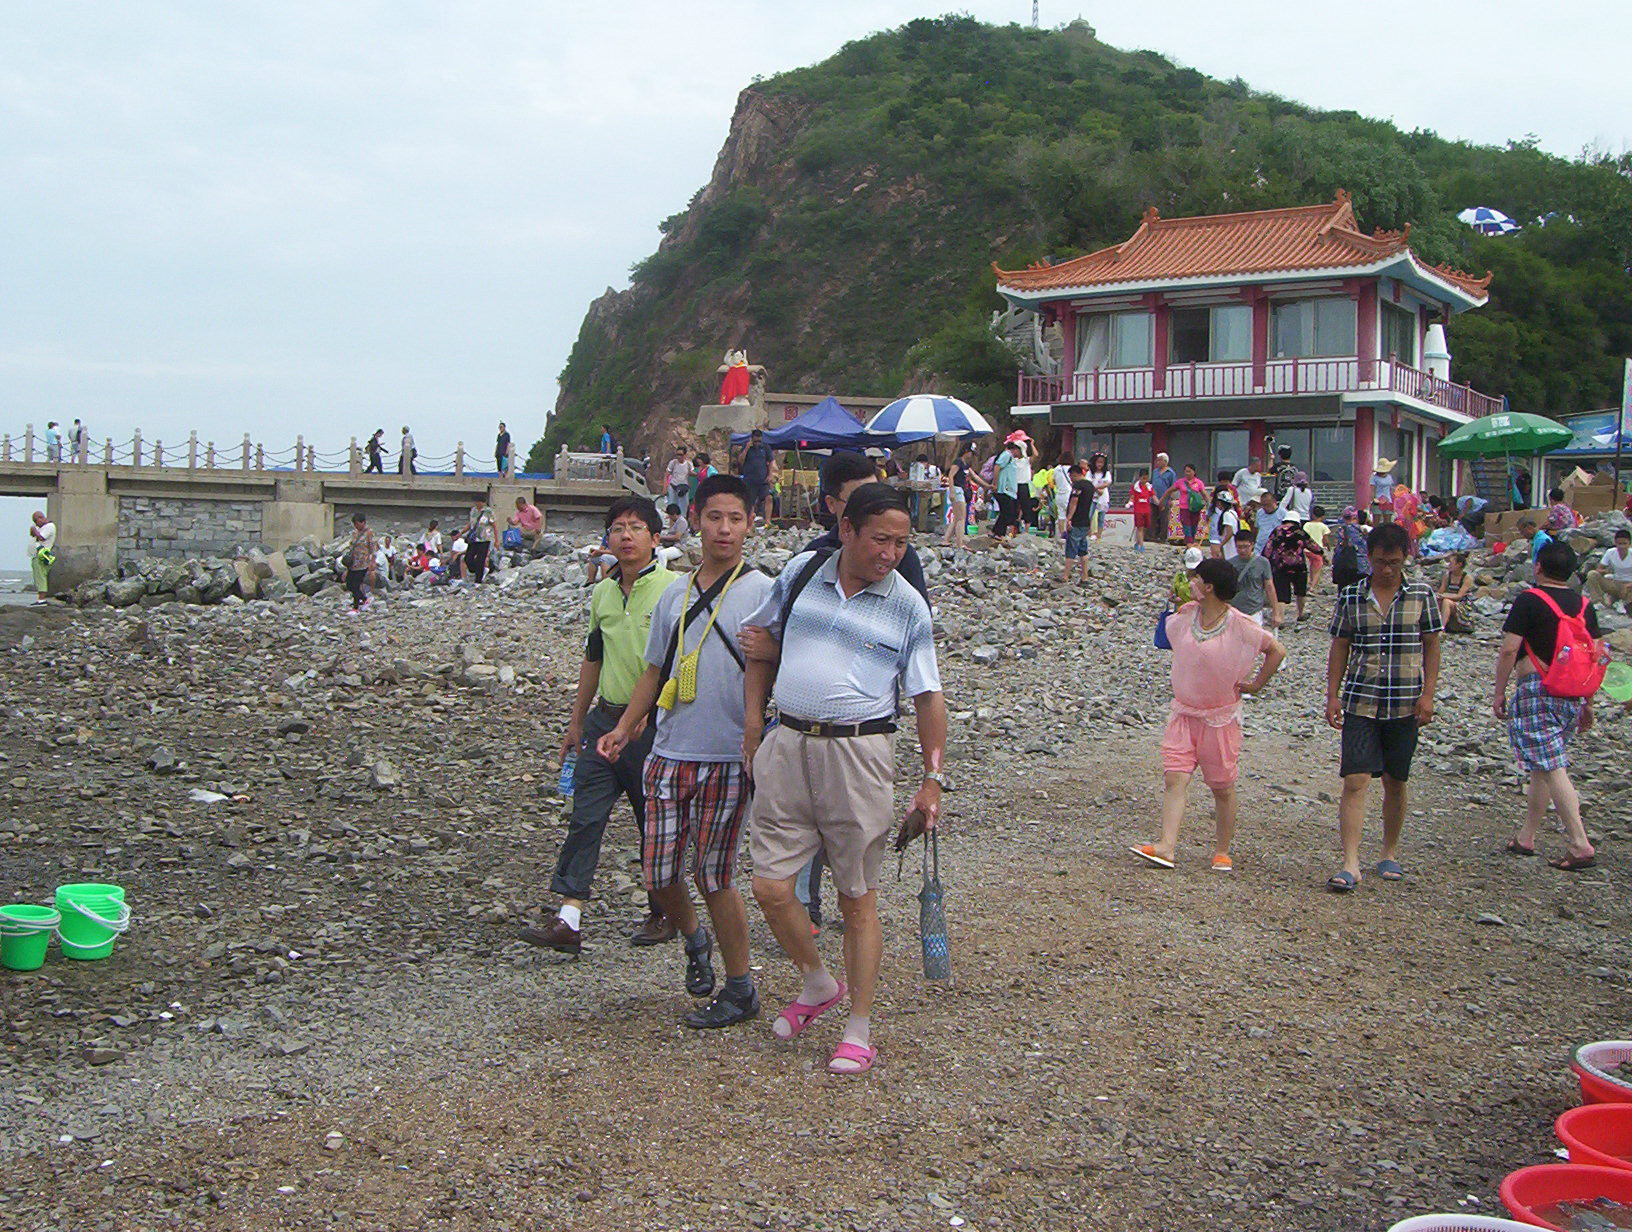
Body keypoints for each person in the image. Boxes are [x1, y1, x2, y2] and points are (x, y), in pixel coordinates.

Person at [740, 483, 947, 1075]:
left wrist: (933, 779)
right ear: (847, 529)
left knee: (856, 897)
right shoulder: (803, 573)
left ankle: (858, 1026)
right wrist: (755, 725)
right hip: (787, 744)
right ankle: (816, 981)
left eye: (902, 542)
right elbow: (759, 644)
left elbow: (929, 696)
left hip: (859, 754)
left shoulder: (908, 605)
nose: (891, 552)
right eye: (880, 538)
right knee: (770, 887)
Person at [595, 474, 775, 1028]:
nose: (724, 529)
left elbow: (778, 664)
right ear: (695, 518)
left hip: (729, 753)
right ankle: (695, 940)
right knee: (659, 869)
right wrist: (626, 726)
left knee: (715, 873)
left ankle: (740, 986)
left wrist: (758, 724)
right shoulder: (676, 592)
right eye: (715, 517)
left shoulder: (764, 590)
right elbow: (654, 669)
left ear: (750, 524)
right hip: (670, 748)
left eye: (736, 519)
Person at [521, 496, 680, 954]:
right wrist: (576, 723)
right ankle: (569, 917)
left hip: (652, 730)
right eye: (617, 528)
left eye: (635, 528)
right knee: (586, 817)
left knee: (654, 822)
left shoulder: (675, 590)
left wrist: (649, 714)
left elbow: (682, 661)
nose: (625, 536)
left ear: (655, 537)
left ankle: (662, 910)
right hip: (602, 721)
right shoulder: (602, 594)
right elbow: (593, 658)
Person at [1132, 558, 1286, 872]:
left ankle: (1222, 851)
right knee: (1175, 777)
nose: (1190, 582)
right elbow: (1167, 640)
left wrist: (1256, 684)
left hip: (1220, 719)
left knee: (1222, 787)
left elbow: (1276, 650)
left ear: (1209, 587)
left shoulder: (1240, 624)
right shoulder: (1186, 615)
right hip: (1184, 714)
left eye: (1196, 578)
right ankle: (1166, 846)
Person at [1324, 522, 1443, 892]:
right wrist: (1332, 694)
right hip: (1361, 699)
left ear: (1405, 558)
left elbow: (1432, 645)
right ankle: (1351, 862)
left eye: (1393, 562)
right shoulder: (1351, 596)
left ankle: (1389, 851)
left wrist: (1429, 694)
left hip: (1404, 702)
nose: (1386, 569)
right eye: (1379, 562)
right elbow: (1340, 645)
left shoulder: (1422, 595)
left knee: (1395, 780)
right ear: (1369, 559)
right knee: (1355, 779)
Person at [1493, 540, 1600, 872]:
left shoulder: (1529, 600)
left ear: (1537, 567)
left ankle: (1580, 843)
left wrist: (1499, 691)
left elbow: (1509, 650)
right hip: (1572, 692)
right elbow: (1594, 655)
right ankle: (1527, 836)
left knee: (1553, 766)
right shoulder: (1584, 605)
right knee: (1544, 764)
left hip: (1537, 689)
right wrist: (1588, 702)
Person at [1265, 514, 1314, 624]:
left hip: (1280, 566)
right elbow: (1312, 545)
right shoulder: (1300, 532)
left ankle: (1280, 619)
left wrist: (1265, 560)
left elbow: (1268, 547)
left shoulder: (1277, 530)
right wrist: (1321, 553)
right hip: (1299, 566)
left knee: (1281, 593)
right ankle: (1300, 614)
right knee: (1300, 591)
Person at [1229, 530, 1280, 627]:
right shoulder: (1230, 563)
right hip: (1234, 610)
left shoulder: (1263, 562)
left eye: (1245, 547)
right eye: (1239, 547)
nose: (1242, 550)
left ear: (1252, 544)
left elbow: (1269, 587)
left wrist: (1276, 612)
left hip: (1254, 610)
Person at [1062, 461, 1094, 585]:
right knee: (1083, 550)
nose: (1071, 480)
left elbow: (1074, 502)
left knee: (1071, 549)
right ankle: (1085, 576)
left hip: (1076, 521)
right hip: (1086, 521)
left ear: (1075, 474)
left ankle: (1065, 575)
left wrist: (1069, 518)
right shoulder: (1090, 486)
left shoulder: (1078, 486)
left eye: (1071, 477)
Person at [736, 428, 774, 524]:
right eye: (755, 441)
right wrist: (747, 448)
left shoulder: (765, 447)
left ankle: (768, 520)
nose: (757, 443)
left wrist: (770, 474)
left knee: (769, 498)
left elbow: (770, 461)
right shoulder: (746, 446)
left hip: (763, 479)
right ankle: (750, 521)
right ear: (752, 439)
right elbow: (740, 461)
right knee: (750, 502)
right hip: (750, 479)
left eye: (759, 441)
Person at [1587, 528, 1632, 608]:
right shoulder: (1610, 552)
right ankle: (1598, 602)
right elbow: (1599, 569)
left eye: (1624, 544)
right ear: (1615, 543)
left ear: (1629, 544)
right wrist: (1605, 571)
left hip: (1629, 586)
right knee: (1592, 574)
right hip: (1615, 583)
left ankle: (1622, 603)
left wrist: (1627, 586)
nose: (1622, 547)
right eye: (1619, 544)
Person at [1330, 507, 1371, 591]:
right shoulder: (1366, 530)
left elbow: (1339, 550)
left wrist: (1334, 563)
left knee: (1344, 592)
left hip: (1347, 565)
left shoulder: (1342, 530)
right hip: (1363, 566)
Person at [343, 512, 376, 612]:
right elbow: (350, 546)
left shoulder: (369, 533)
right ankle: (365, 599)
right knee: (349, 584)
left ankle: (356, 607)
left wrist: (372, 562)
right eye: (355, 524)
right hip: (352, 563)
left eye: (357, 523)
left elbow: (373, 549)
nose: (356, 526)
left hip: (363, 563)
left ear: (363, 522)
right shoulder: (354, 533)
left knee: (356, 585)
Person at [943, 447, 975, 549]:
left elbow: (974, 476)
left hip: (960, 490)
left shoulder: (965, 465)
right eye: (971, 453)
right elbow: (951, 475)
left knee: (957, 518)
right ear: (966, 451)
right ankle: (960, 543)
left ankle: (945, 540)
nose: (972, 456)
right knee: (961, 518)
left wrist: (987, 486)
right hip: (956, 489)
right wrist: (952, 491)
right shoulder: (958, 462)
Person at [1436, 550, 1476, 632]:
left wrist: (1444, 596)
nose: (1449, 565)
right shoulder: (1447, 576)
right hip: (1449, 601)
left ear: (1459, 564)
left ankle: (1442, 628)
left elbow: (1459, 596)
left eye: (1451, 563)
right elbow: (1440, 592)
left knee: (1446, 601)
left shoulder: (1467, 578)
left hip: (1462, 605)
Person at [992, 441, 1022, 540]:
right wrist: (995, 483)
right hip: (1004, 489)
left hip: (1009, 491)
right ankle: (998, 533)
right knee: (1007, 512)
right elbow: (997, 467)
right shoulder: (1006, 455)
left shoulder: (1010, 458)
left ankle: (998, 531)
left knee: (1007, 512)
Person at [463, 499, 496, 582]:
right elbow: (471, 524)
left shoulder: (488, 511)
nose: (478, 503)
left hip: (484, 539)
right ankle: (475, 571)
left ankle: (478, 579)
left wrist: (496, 540)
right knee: (468, 558)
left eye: (479, 502)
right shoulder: (473, 510)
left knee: (480, 560)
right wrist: (461, 533)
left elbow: (494, 525)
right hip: (474, 539)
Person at [1174, 464, 1207, 545]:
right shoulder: (1180, 482)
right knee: (1186, 527)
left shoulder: (1199, 482)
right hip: (1184, 508)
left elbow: (1204, 494)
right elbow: (1170, 490)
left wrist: (1209, 503)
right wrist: (1164, 499)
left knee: (1193, 527)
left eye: (1189, 471)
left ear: (1194, 472)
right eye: (1186, 471)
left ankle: (1189, 544)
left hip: (1195, 508)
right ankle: (1189, 544)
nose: (1187, 473)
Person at [27, 510, 56, 603]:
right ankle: (40, 599)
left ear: (41, 518)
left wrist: (35, 530)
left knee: (41, 576)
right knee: (38, 576)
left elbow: (41, 537)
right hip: (36, 555)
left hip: (42, 555)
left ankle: (41, 599)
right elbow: (34, 536)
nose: (36, 523)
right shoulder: (42, 527)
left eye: (36, 521)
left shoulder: (49, 526)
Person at [1011, 434, 1038, 531]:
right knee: (1013, 508)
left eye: (1016, 449)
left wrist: (1032, 444)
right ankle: (1013, 530)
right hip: (1014, 486)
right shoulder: (1012, 461)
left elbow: (1035, 455)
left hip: (1024, 486)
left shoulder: (1026, 460)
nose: (1014, 451)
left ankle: (1026, 530)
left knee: (1026, 508)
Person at [1206, 488, 1240, 560]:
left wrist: (1220, 545)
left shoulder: (1227, 515)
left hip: (1230, 545)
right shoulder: (1233, 512)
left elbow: (1229, 532)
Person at [1085, 452, 1112, 540]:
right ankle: (1088, 534)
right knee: (1089, 515)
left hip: (1103, 497)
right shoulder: (1090, 473)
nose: (1099, 464)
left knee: (1101, 517)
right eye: (1098, 462)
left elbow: (1107, 483)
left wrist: (1098, 488)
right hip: (1092, 497)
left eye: (1101, 462)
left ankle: (1099, 536)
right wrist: (1097, 489)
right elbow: (1088, 483)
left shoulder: (1106, 473)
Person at [1151, 452, 1177, 544]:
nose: (1157, 462)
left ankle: (1162, 538)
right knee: (1152, 517)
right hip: (1154, 498)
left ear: (1165, 461)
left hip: (1165, 499)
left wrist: (1171, 499)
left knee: (1164, 519)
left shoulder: (1170, 473)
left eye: (1159, 460)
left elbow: (1173, 487)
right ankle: (1152, 536)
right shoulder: (1155, 472)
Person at [656, 503, 690, 568]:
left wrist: (662, 537)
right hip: (670, 545)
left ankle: (661, 573)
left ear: (674, 514)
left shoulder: (682, 522)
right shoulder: (675, 521)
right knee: (655, 550)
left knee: (662, 554)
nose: (669, 517)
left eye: (669, 515)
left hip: (679, 547)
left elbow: (677, 537)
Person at [1304, 505, 1331, 588]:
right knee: (1318, 569)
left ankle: (1309, 582)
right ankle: (1312, 586)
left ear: (1312, 515)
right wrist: (1328, 547)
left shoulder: (1307, 525)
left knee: (1311, 567)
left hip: (1307, 550)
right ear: (1323, 516)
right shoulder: (1323, 526)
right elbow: (1325, 540)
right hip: (1317, 551)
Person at [666, 446, 694, 519]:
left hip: (683, 488)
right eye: (677, 454)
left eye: (680, 455)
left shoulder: (688, 464)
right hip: (673, 486)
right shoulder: (673, 463)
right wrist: (665, 487)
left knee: (683, 508)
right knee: (672, 507)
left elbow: (691, 474)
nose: (679, 457)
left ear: (684, 455)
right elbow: (667, 474)